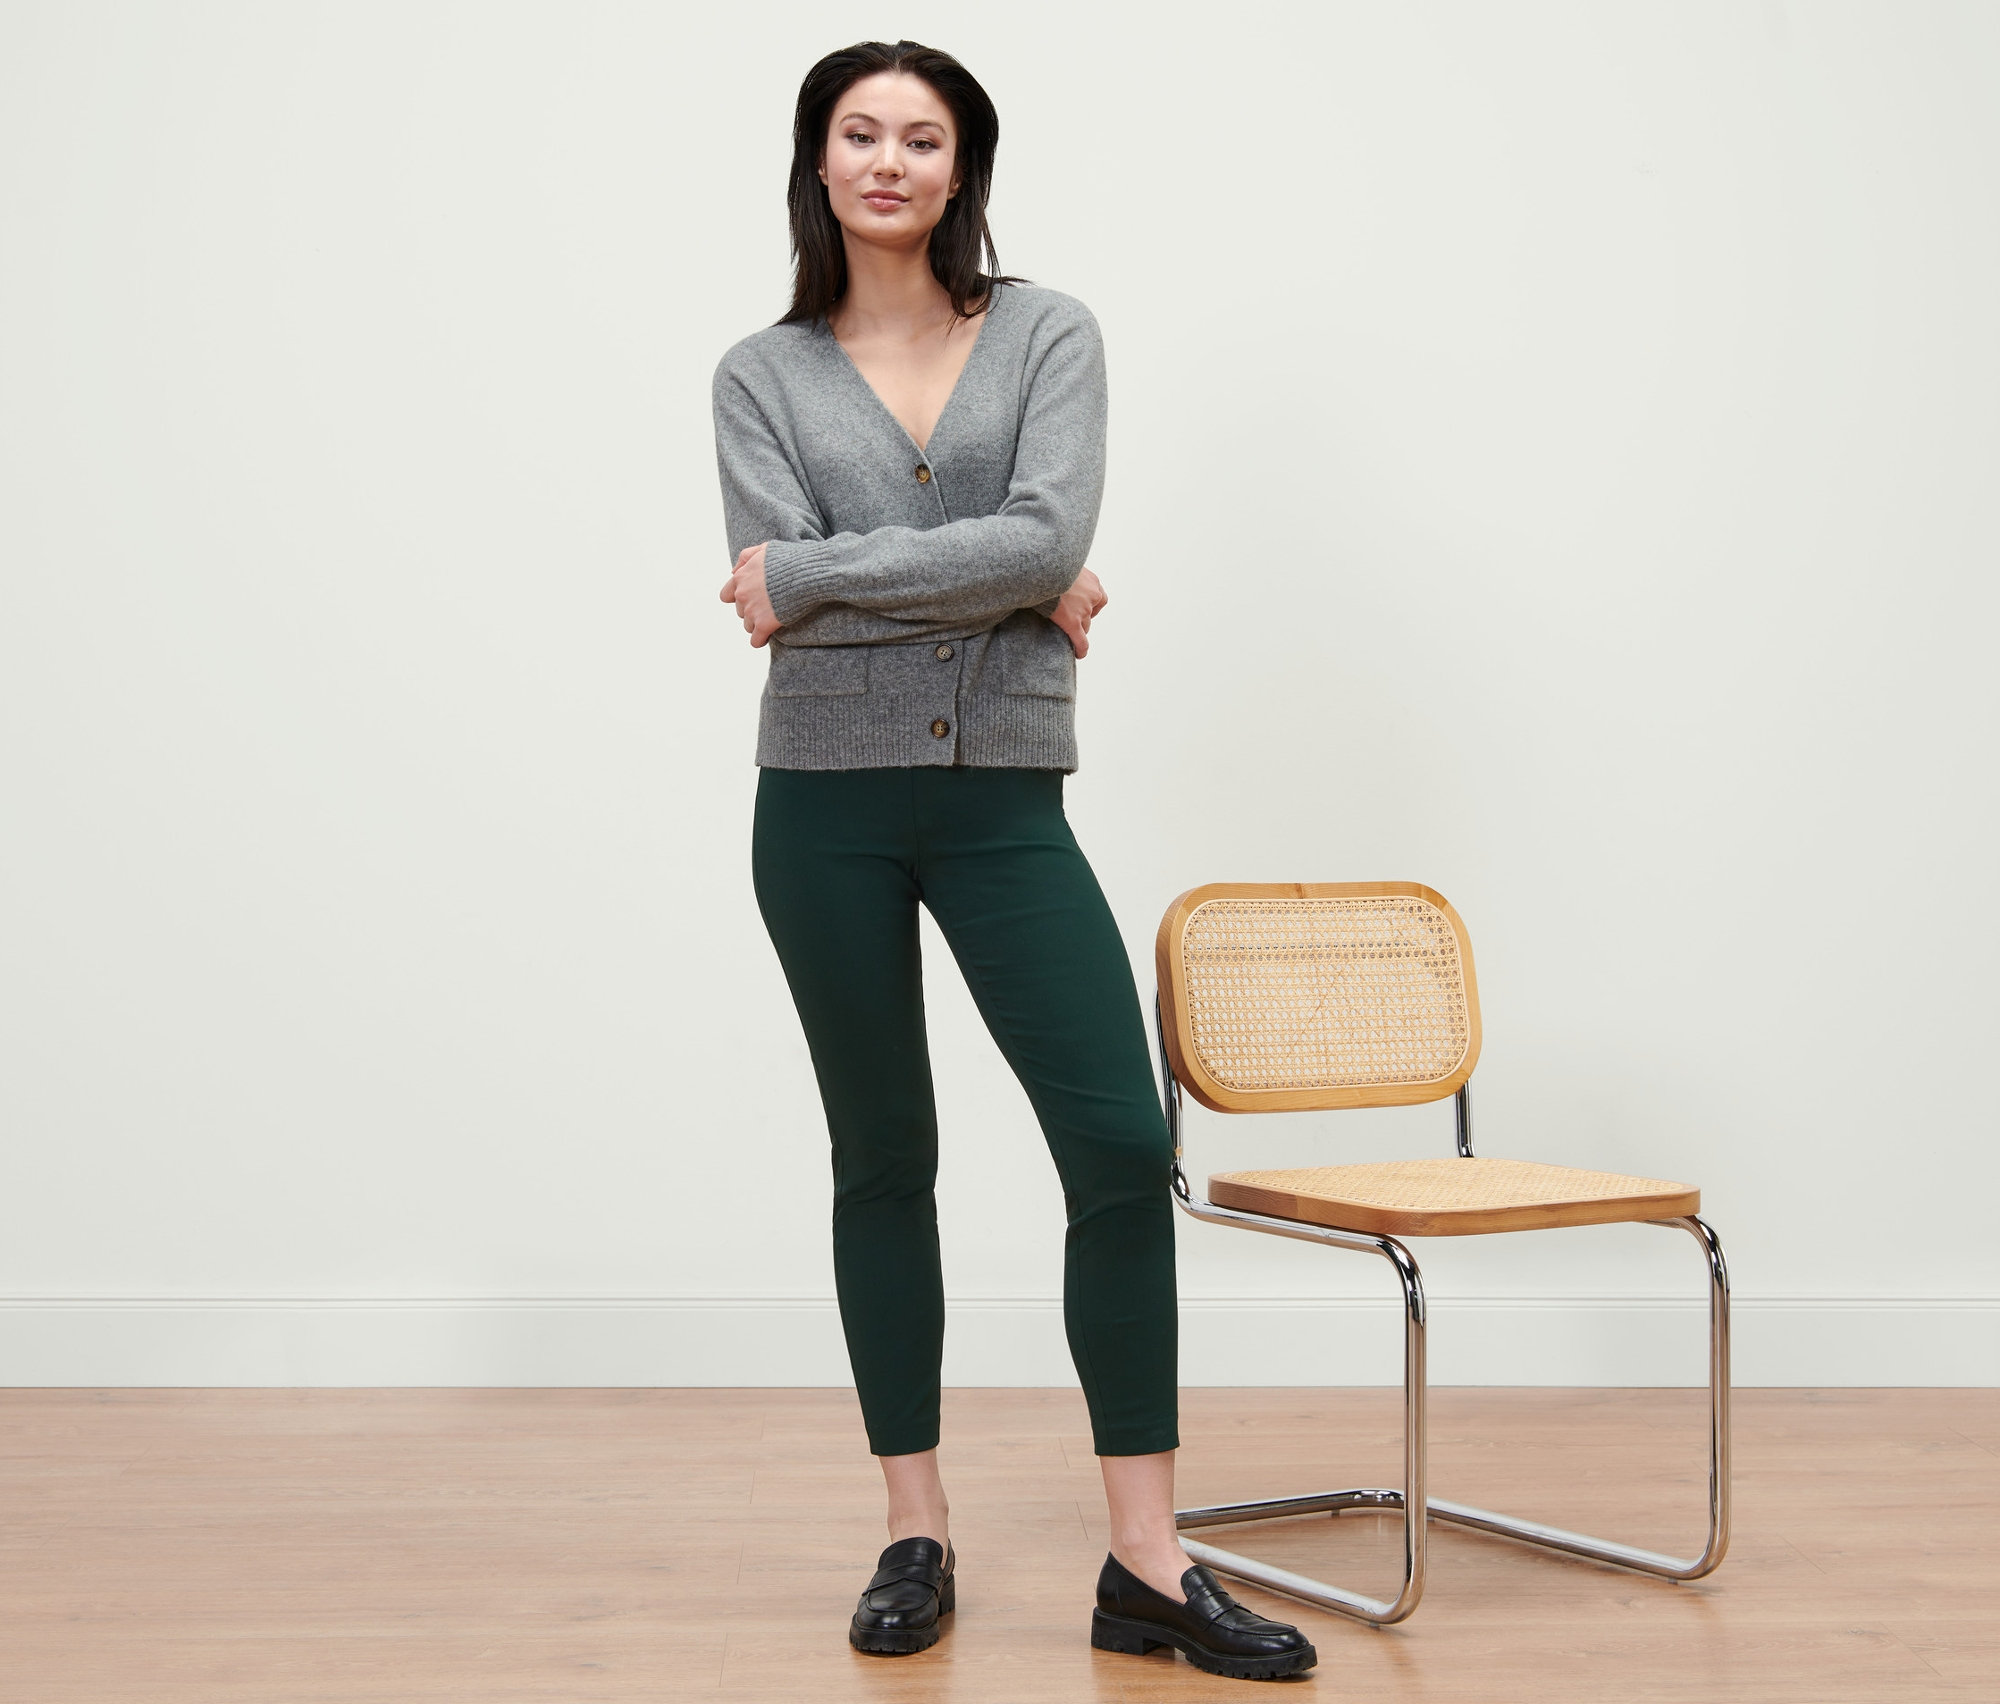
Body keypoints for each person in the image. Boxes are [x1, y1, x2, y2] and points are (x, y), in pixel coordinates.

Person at [710, 39, 1317, 1682]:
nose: (892, 160)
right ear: (819, 162)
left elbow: (1021, 536)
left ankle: (1146, 1561)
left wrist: (835, 575)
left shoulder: (1047, 332)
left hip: (1003, 798)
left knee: (1118, 1144)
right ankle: (914, 1528)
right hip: (820, 803)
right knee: (881, 1153)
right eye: (862, 133)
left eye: (925, 136)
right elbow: (982, 564)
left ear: (963, 167)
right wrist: (1009, 579)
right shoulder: (759, 374)